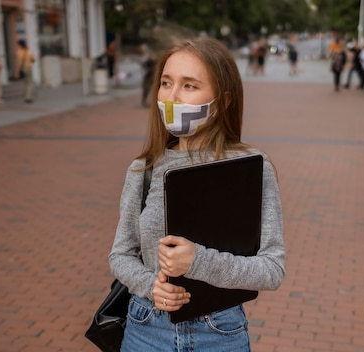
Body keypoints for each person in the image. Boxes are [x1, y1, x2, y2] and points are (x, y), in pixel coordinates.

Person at [108, 37, 285, 351]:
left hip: (219, 333)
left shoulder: (251, 169)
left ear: (223, 100)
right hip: (146, 329)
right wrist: (152, 286)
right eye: (166, 83)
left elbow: (271, 270)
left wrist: (197, 262)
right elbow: (120, 255)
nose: (172, 96)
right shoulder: (143, 169)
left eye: (189, 86)